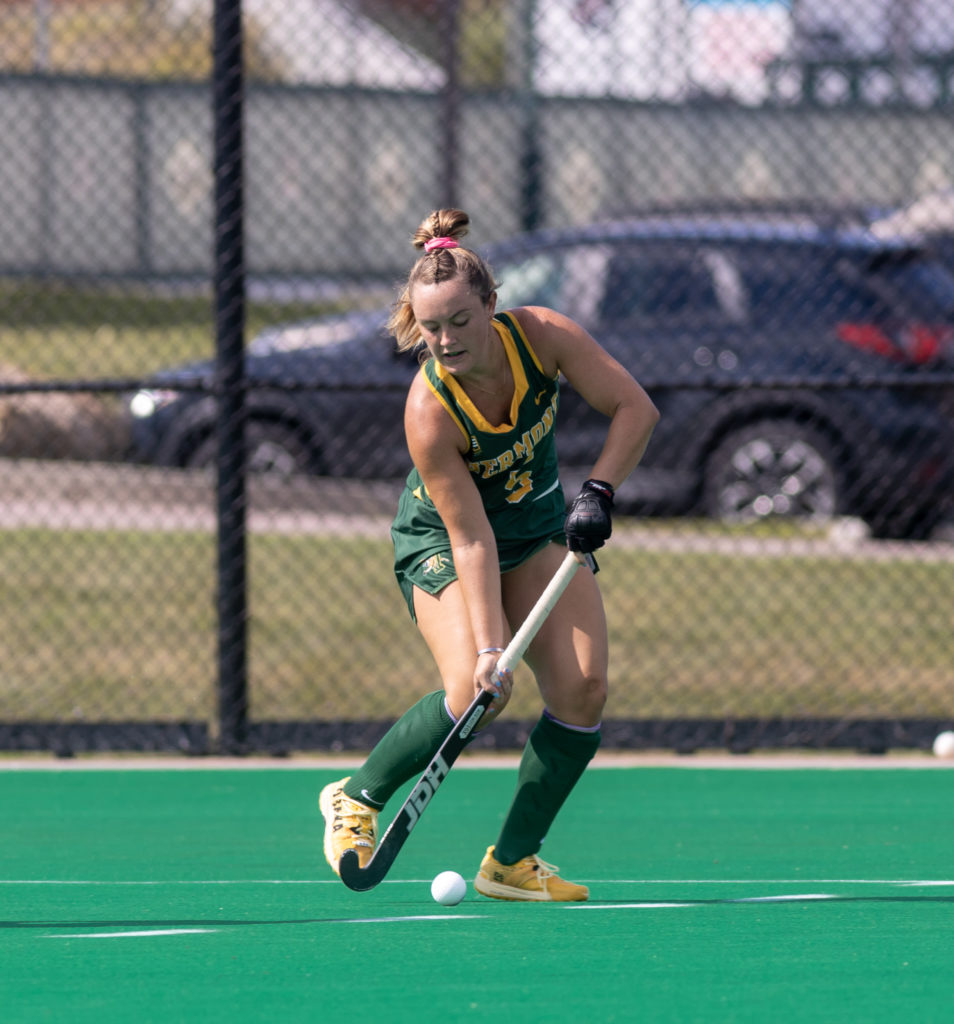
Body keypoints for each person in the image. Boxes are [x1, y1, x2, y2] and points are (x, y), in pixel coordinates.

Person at [320, 208, 658, 902]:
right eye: (429, 327)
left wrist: (598, 491)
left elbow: (635, 408)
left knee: (583, 689)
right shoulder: (430, 410)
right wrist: (486, 651)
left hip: (535, 534)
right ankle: (356, 798)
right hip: (445, 543)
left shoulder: (542, 337)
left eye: (458, 322)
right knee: (471, 691)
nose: (443, 340)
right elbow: (470, 538)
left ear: (491, 306)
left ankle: (511, 862)